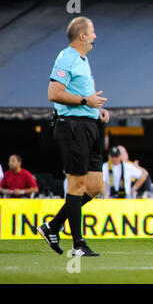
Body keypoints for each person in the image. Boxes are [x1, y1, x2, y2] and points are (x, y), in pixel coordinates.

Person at [37, 16, 109, 257]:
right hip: (72, 127)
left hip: (89, 125)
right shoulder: (66, 57)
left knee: (96, 185)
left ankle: (53, 226)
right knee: (77, 183)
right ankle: (78, 244)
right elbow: (53, 93)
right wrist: (84, 101)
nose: (96, 36)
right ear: (82, 36)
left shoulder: (83, 60)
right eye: (93, 31)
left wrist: (95, 109)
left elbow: (81, 94)